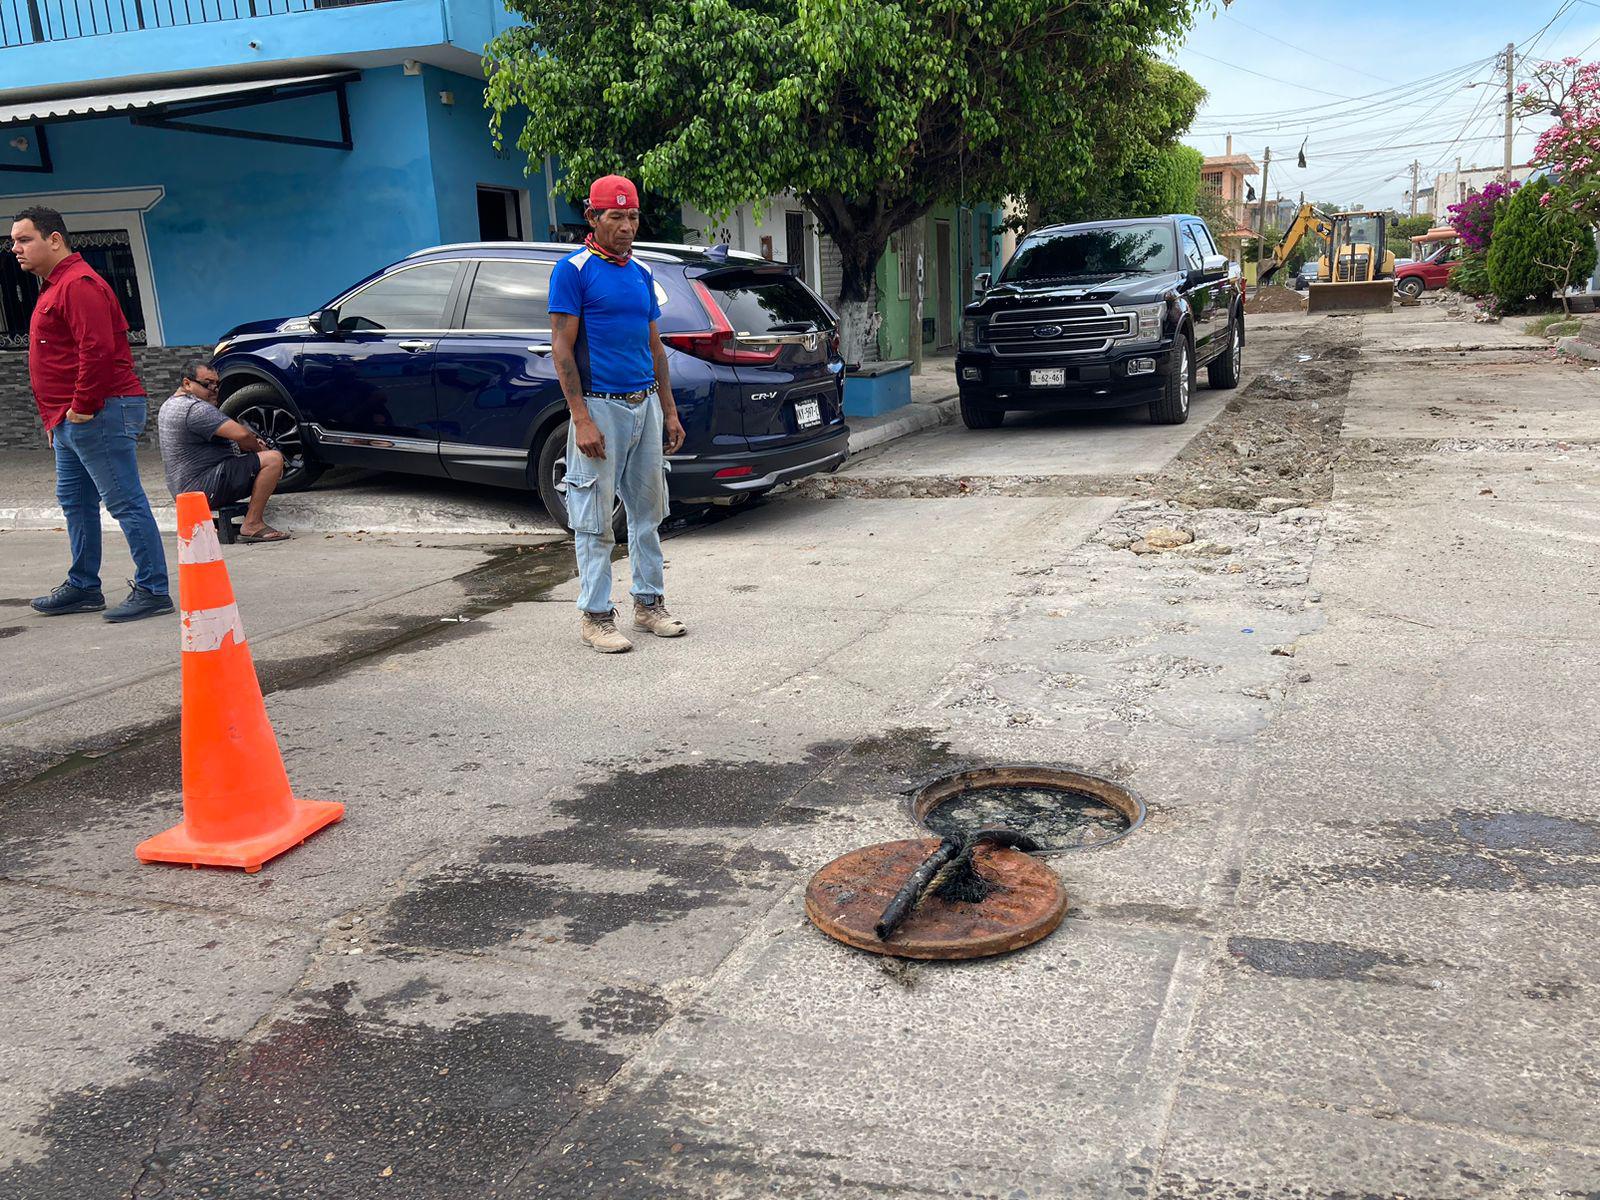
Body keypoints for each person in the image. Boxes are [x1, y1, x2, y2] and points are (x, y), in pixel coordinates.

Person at [548, 174, 688, 654]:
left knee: (648, 513)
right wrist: (581, 417)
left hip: (644, 404)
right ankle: (595, 617)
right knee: (593, 519)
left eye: (632, 216)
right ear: (592, 218)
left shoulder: (640, 273)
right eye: (616, 216)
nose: (627, 226)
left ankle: (649, 606)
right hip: (600, 409)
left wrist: (668, 411)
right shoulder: (574, 270)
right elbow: (561, 351)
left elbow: (656, 348)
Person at [13, 206, 172, 622]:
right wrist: (55, 420)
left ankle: (154, 589)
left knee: (124, 501)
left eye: (24, 239)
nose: (15, 248)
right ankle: (83, 586)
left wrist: (81, 408)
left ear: (55, 239)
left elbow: (96, 351)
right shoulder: (54, 286)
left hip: (98, 411)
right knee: (75, 501)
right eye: (13, 241)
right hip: (68, 420)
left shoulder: (79, 284)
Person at [158, 360, 290, 543]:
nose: (214, 389)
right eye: (207, 384)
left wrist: (244, 447)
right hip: (203, 487)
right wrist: (259, 449)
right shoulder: (195, 408)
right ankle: (252, 524)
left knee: (256, 457)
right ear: (187, 383)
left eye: (217, 384)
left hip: (186, 489)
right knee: (273, 460)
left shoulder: (169, 405)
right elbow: (243, 435)